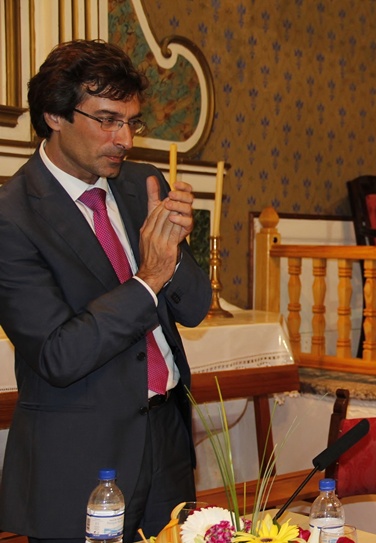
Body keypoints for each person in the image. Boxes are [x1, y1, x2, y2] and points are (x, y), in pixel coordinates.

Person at [0, 40, 212, 542]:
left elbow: (197, 307)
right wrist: (148, 280)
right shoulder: (13, 216)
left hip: (166, 440)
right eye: (107, 119)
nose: (124, 139)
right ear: (54, 114)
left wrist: (175, 254)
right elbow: (57, 353)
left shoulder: (144, 186)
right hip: (82, 459)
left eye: (132, 122)